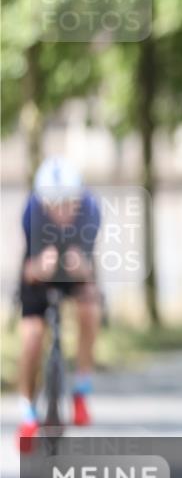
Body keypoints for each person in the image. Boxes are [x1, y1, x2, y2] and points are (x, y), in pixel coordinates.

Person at [16, 156, 101, 452]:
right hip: (40, 266)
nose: (61, 210)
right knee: (32, 336)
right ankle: (27, 413)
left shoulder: (90, 209)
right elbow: (27, 269)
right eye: (54, 204)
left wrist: (81, 267)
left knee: (90, 308)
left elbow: (90, 269)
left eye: (67, 204)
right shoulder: (31, 211)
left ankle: (81, 390)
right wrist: (39, 267)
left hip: (76, 264)